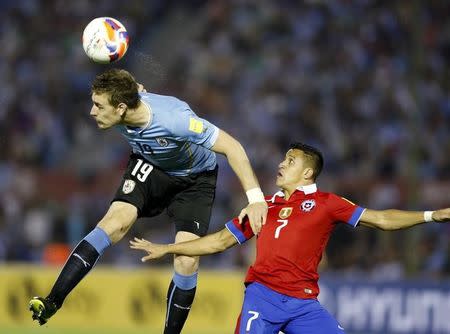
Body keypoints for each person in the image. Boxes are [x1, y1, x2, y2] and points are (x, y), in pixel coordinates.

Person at [29, 68, 268, 333]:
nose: (92, 112)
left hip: (195, 180)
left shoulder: (176, 120)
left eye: (98, 105)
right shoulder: (127, 100)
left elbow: (233, 147)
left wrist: (256, 198)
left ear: (121, 108)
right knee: (114, 223)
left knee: (186, 259)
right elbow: (132, 86)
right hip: (150, 165)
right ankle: (52, 301)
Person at [130, 142, 450, 334]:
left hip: (303, 305)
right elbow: (218, 242)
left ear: (308, 173)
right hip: (262, 298)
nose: (281, 165)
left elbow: (380, 218)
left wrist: (430, 215)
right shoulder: (262, 206)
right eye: (283, 159)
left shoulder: (327, 203)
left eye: (290, 161)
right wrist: (168, 247)